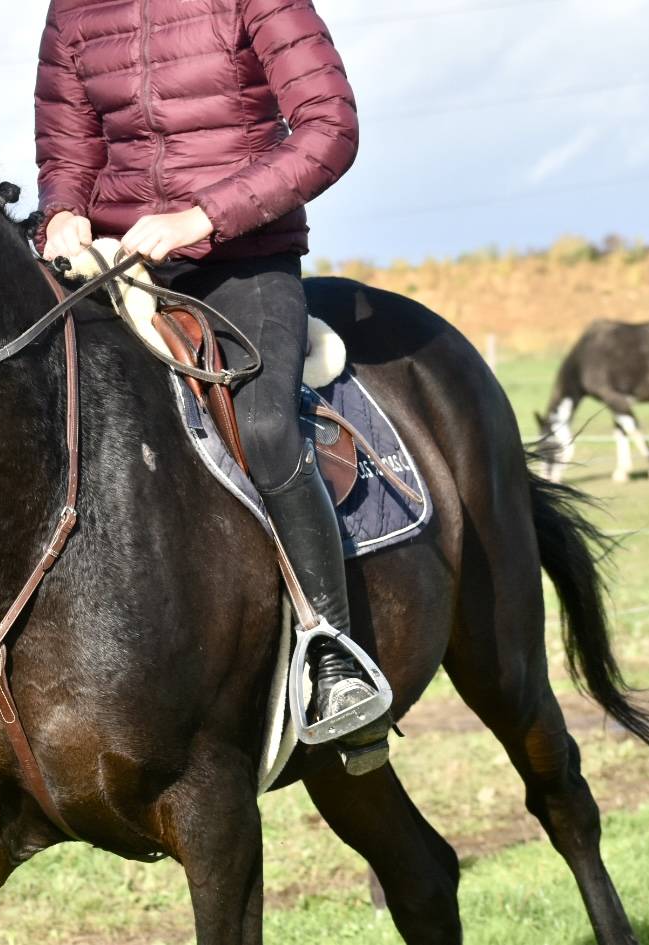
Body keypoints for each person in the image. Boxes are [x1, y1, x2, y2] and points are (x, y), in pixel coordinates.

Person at [34, 0, 390, 772]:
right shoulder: (72, 11)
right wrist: (61, 213)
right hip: (118, 263)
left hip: (244, 261)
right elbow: (68, 149)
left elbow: (330, 129)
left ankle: (334, 654)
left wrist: (203, 216)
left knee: (264, 429)